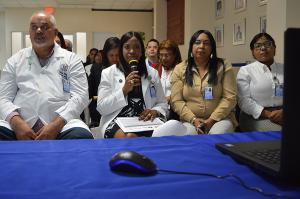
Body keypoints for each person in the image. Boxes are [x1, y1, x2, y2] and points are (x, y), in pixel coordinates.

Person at [0, 11, 93, 140]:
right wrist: (17, 123)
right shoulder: (15, 60)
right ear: (30, 33)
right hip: (21, 124)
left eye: (44, 27)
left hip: (62, 124)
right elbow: (3, 98)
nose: (38, 31)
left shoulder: (72, 60)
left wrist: (56, 125)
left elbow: (80, 96)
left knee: (81, 136)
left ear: (55, 33)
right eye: (34, 27)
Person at [96, 31, 168, 138]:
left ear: (142, 50)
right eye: (127, 47)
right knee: (130, 137)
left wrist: (155, 111)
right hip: (118, 121)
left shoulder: (152, 73)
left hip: (147, 121)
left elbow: (162, 103)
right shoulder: (109, 73)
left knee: (166, 133)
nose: (132, 51)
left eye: (137, 47)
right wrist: (124, 90)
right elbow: (102, 108)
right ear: (121, 50)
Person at [167, 30, 237, 135]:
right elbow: (176, 101)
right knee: (190, 138)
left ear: (212, 47)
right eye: (197, 42)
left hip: (220, 119)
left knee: (217, 136)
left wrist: (211, 120)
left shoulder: (223, 66)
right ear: (191, 47)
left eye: (206, 43)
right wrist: (193, 119)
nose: (201, 46)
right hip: (190, 121)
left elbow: (230, 98)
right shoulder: (180, 68)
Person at [237, 33, 283, 132]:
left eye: (267, 44)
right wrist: (269, 114)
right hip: (255, 117)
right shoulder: (245, 71)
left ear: (274, 49)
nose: (263, 48)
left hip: (284, 113)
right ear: (253, 52)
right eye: (257, 46)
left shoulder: (286, 68)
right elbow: (243, 101)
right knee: (280, 133)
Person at [88, 37, 120, 127]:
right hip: (99, 104)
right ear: (105, 55)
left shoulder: (125, 70)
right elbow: (89, 91)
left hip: (120, 105)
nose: (114, 59)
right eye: (111, 55)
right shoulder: (96, 68)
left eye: (117, 55)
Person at [158, 40, 182, 105]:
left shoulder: (181, 70)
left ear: (175, 55)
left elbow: (185, 93)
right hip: (159, 107)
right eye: (161, 55)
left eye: (167, 55)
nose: (163, 58)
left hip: (175, 108)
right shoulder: (157, 69)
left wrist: (169, 98)